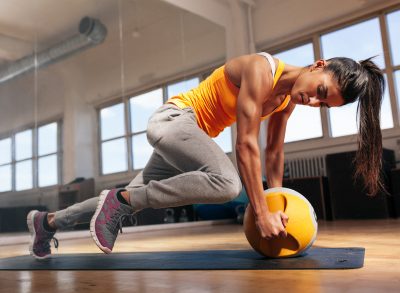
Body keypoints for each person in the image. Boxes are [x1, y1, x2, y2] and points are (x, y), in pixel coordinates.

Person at [27, 52, 385, 259]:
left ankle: (47, 223)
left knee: (122, 202)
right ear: (317, 65)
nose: (315, 100)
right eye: (321, 91)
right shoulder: (261, 70)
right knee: (228, 183)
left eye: (324, 104)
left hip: (187, 141)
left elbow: (274, 152)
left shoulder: (287, 101)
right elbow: (246, 145)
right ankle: (122, 201)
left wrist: (279, 204)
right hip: (174, 120)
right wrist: (260, 214)